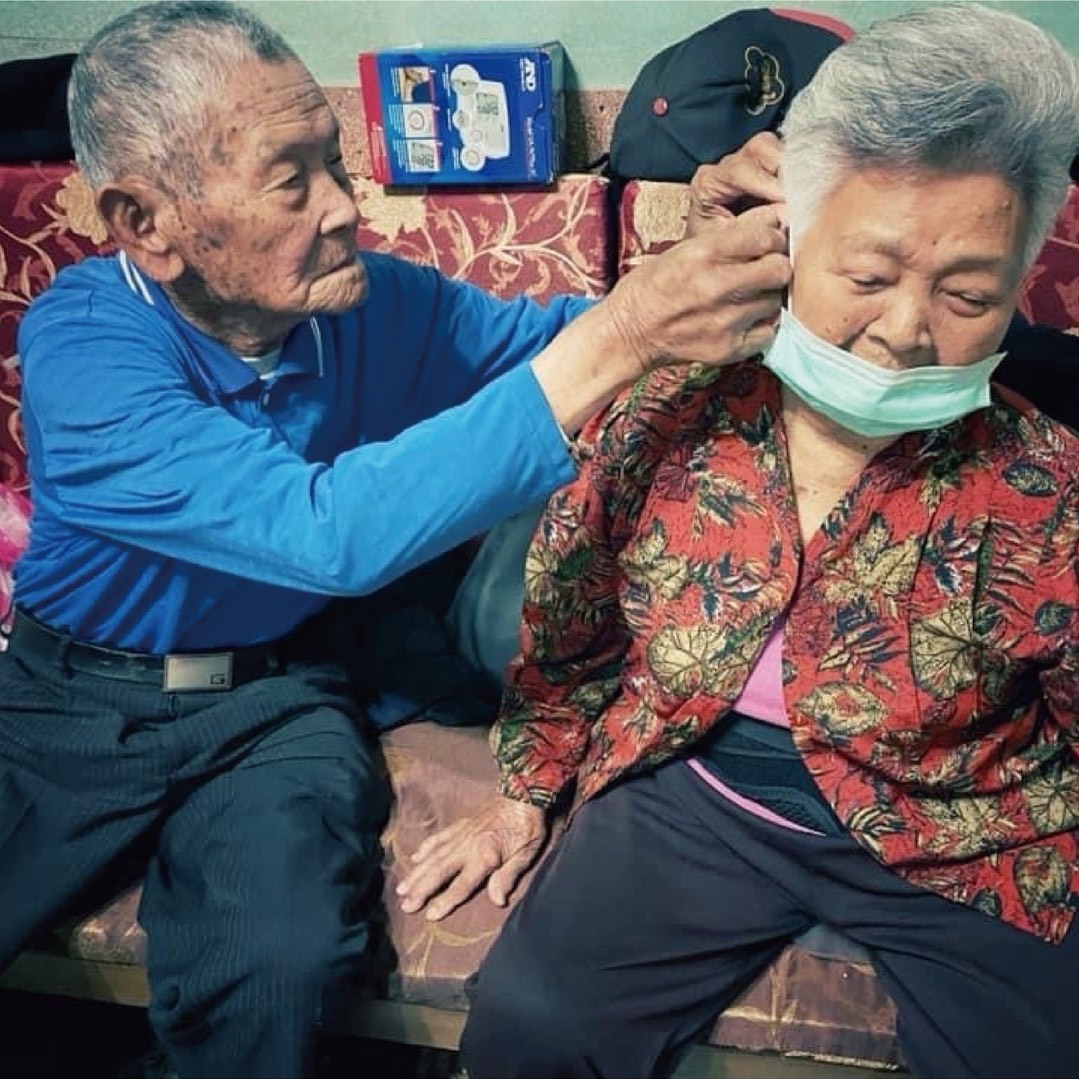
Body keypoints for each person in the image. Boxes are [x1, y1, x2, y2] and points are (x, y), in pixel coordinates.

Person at [0, 2, 792, 1076]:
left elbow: (562, 344)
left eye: (335, 162)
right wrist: (628, 330)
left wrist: (697, 256)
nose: (346, 208)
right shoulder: (87, 343)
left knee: (278, 967)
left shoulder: (367, 306)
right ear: (146, 222)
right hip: (72, 698)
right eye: (291, 181)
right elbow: (323, 530)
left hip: (274, 695)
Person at [397, 5, 1079, 1077]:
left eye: (964, 294)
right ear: (787, 244)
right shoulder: (670, 406)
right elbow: (570, 613)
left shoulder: (1044, 484)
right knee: (531, 1028)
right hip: (697, 784)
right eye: (866, 276)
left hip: (959, 816)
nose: (905, 330)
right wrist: (525, 788)